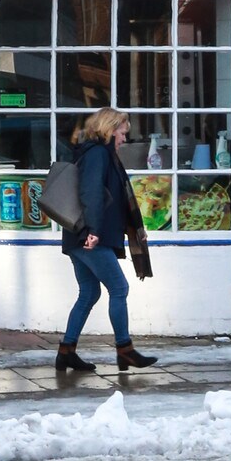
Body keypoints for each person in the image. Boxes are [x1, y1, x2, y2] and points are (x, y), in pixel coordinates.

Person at [56, 107, 157, 374]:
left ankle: (66, 352)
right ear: (110, 130)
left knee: (89, 293)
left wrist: (136, 228)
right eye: (123, 132)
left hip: (81, 236)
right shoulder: (99, 154)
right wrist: (93, 231)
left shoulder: (99, 154)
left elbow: (116, 198)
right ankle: (125, 350)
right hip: (89, 237)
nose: (125, 138)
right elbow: (91, 194)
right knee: (119, 288)